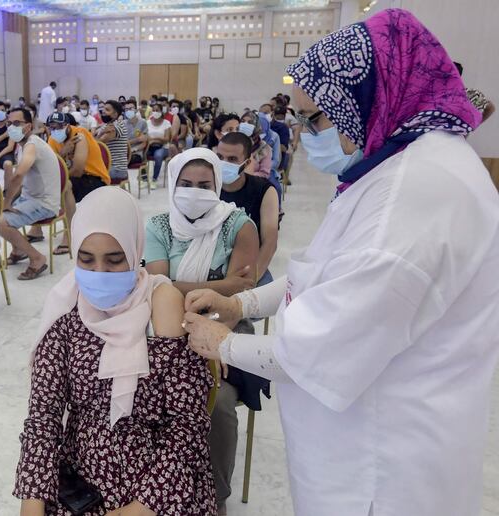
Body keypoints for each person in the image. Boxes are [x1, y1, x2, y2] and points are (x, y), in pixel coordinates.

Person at [184, 10, 496, 516]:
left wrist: (220, 342)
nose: (309, 135)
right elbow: (329, 273)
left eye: (318, 118)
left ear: (372, 96)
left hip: (380, 471)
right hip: (361, 443)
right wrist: (241, 301)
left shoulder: (415, 195)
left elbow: (317, 350)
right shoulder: (395, 167)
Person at [14, 187, 215, 515]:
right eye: (86, 259)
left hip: (160, 479)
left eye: (115, 259)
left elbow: (186, 423)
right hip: (83, 477)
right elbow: (44, 416)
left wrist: (139, 508)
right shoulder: (66, 308)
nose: (99, 274)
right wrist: (32, 503)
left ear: (135, 253)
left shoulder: (160, 303)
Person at [143, 148, 260, 515]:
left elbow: (245, 290)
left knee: (219, 403)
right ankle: (155, 481)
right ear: (173, 184)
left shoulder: (238, 225)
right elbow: (158, 286)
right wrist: (220, 282)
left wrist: (204, 294)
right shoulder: (159, 226)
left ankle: (216, 495)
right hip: (165, 325)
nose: (195, 192)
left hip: (226, 325)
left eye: (205, 185)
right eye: (186, 184)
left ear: (218, 186)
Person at [0, 108, 61, 280]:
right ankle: (18, 250)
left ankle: (37, 258)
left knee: (2, 223)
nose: (12, 127)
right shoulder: (22, 145)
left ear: (28, 126)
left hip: (45, 203)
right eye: (9, 123)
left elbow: (19, 174)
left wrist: (8, 201)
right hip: (31, 198)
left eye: (17, 123)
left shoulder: (32, 145)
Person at [37, 112, 110, 256]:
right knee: (39, 185)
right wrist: (63, 152)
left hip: (93, 179)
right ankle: (36, 230)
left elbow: (77, 170)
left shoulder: (80, 135)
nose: (54, 130)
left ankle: (69, 235)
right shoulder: (53, 139)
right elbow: (48, 167)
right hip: (74, 178)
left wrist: (56, 176)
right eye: (51, 127)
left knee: (64, 187)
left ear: (67, 125)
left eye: (58, 127)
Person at [217, 132, 279, 286]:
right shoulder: (208, 186)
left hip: (248, 265)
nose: (224, 163)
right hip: (211, 262)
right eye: (219, 157)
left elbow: (270, 242)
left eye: (232, 159)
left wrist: (251, 279)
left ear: (246, 163)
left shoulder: (264, 190)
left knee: (261, 302)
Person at [95, 100, 129, 181]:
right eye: (103, 109)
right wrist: (100, 133)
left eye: (107, 110)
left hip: (117, 169)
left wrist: (98, 135)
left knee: (90, 177)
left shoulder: (116, 126)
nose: (103, 111)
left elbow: (97, 143)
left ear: (115, 114)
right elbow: (95, 139)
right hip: (107, 166)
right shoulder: (106, 125)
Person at [145, 103, 172, 186]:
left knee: (158, 156)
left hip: (163, 147)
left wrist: (154, 140)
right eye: (153, 110)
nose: (155, 112)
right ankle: (144, 177)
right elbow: (146, 137)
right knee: (142, 154)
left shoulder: (166, 123)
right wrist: (156, 140)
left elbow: (167, 139)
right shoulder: (148, 122)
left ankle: (154, 178)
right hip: (150, 146)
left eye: (157, 110)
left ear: (161, 111)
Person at [123, 99, 148, 165]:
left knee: (127, 160)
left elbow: (144, 142)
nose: (128, 111)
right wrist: (137, 139)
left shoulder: (142, 123)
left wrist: (133, 149)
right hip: (123, 152)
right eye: (126, 109)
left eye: (131, 109)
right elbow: (122, 142)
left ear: (136, 110)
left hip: (137, 153)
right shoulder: (122, 124)